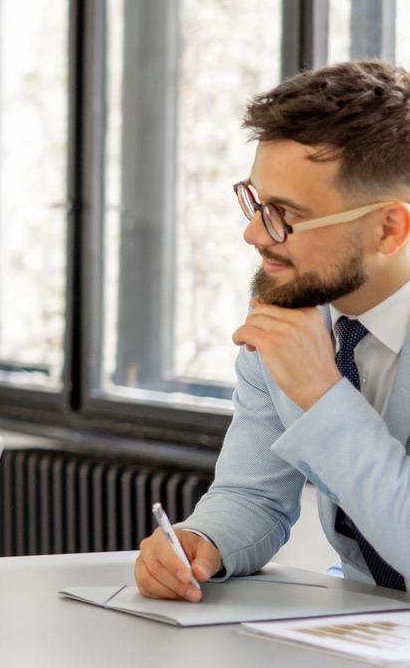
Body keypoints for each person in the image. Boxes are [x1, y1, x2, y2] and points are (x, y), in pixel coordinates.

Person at [136, 59, 410, 601]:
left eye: (285, 214)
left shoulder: (300, 334)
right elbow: (253, 493)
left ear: (389, 228)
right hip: (359, 632)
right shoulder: (293, 309)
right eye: (258, 203)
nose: (254, 233)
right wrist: (201, 541)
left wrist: (324, 395)